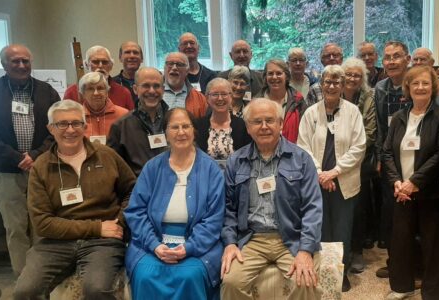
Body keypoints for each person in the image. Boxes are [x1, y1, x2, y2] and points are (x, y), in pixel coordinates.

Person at [14, 100, 136, 299]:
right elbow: (42, 223)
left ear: (84, 126)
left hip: (102, 242)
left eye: (76, 123)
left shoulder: (106, 155)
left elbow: (132, 190)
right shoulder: (41, 166)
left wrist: (118, 222)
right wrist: (96, 227)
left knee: (96, 289)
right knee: (25, 291)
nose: (70, 130)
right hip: (56, 242)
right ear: (50, 128)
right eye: (62, 124)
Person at [220, 98, 323, 300]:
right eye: (257, 122)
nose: (264, 126)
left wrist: (305, 249)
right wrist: (230, 243)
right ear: (248, 128)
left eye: (270, 120)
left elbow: (313, 207)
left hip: (291, 238)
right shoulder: (236, 161)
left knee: (305, 282)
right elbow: (228, 208)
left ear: (281, 124)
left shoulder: (301, 159)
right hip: (251, 239)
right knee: (231, 282)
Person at [124, 107, 225, 299]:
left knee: (190, 275)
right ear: (165, 133)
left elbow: (214, 219)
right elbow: (136, 212)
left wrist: (189, 247)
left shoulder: (211, 169)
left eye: (186, 126)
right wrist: (154, 245)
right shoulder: (152, 167)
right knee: (145, 275)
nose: (181, 132)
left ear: (194, 131)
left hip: (198, 244)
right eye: (174, 127)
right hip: (152, 242)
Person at [382, 66, 439, 300]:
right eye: (415, 84)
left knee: (434, 248)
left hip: (432, 194)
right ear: (408, 88)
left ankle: (432, 294)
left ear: (433, 86)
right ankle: (402, 287)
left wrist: (414, 182)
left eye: (425, 83)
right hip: (401, 192)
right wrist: (397, 182)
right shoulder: (400, 117)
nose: (420, 87)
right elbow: (386, 152)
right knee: (401, 243)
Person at [298, 64, 366, 292]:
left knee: (341, 230)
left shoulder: (353, 112)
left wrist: (334, 172)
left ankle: (340, 273)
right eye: (327, 81)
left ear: (343, 84)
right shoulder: (310, 113)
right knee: (320, 229)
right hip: (317, 182)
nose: (332, 85)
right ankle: (322, 272)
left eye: (337, 81)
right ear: (321, 84)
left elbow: (359, 147)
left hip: (343, 182)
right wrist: (320, 174)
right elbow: (303, 147)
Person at [0, 44, 60, 275]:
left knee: (42, 226)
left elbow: (58, 127)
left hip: (41, 169)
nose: (21, 66)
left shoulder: (47, 91)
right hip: (6, 172)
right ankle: (24, 281)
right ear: (4, 64)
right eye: (15, 61)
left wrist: (34, 155)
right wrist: (16, 158)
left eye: (25, 61)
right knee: (15, 229)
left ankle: (42, 276)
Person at [374, 40, 411, 278]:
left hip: (415, 157)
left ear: (407, 59)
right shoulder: (380, 88)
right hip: (389, 159)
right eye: (387, 57)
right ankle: (395, 262)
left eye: (397, 56)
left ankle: (415, 265)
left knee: (413, 212)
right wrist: (379, 158)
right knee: (391, 213)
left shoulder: (416, 84)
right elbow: (379, 126)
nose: (391, 61)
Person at [340, 57, 378, 274]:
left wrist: (351, 156)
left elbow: (370, 132)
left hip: (359, 162)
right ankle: (338, 250)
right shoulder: (333, 94)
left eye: (357, 75)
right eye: (349, 74)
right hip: (334, 162)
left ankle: (356, 251)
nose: (353, 78)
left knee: (358, 209)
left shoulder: (368, 98)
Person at [108, 67, 169, 176]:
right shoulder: (121, 126)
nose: (151, 91)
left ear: (163, 89)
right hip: (139, 189)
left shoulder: (174, 121)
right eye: (146, 85)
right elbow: (113, 168)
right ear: (135, 89)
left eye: (156, 86)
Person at [194, 78, 252, 159]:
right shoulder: (198, 125)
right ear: (207, 98)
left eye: (224, 94)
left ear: (231, 97)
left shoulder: (243, 126)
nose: (220, 98)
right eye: (215, 94)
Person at [64, 45, 134, 110]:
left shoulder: (123, 93)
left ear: (111, 66)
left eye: (105, 62)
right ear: (86, 65)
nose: (100, 66)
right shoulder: (72, 92)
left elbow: (130, 120)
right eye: (95, 62)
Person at [256, 59, 306, 143]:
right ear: (265, 77)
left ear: (286, 76)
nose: (274, 77)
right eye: (270, 73)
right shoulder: (256, 103)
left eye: (279, 73)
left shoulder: (298, 102)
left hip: (292, 152)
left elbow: (305, 133)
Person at [79, 72, 128, 144]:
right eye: (90, 89)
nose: (96, 93)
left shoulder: (123, 115)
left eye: (100, 88)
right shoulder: (77, 116)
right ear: (83, 94)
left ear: (107, 91)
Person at [162, 52, 208, 119]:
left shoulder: (199, 98)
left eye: (179, 64)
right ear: (164, 68)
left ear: (187, 71)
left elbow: (204, 125)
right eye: (170, 63)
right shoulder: (153, 94)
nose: (174, 68)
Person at [113, 41, 143, 106]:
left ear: (142, 58)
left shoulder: (150, 84)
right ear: (120, 58)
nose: (132, 56)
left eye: (135, 52)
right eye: (127, 52)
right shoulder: (111, 84)